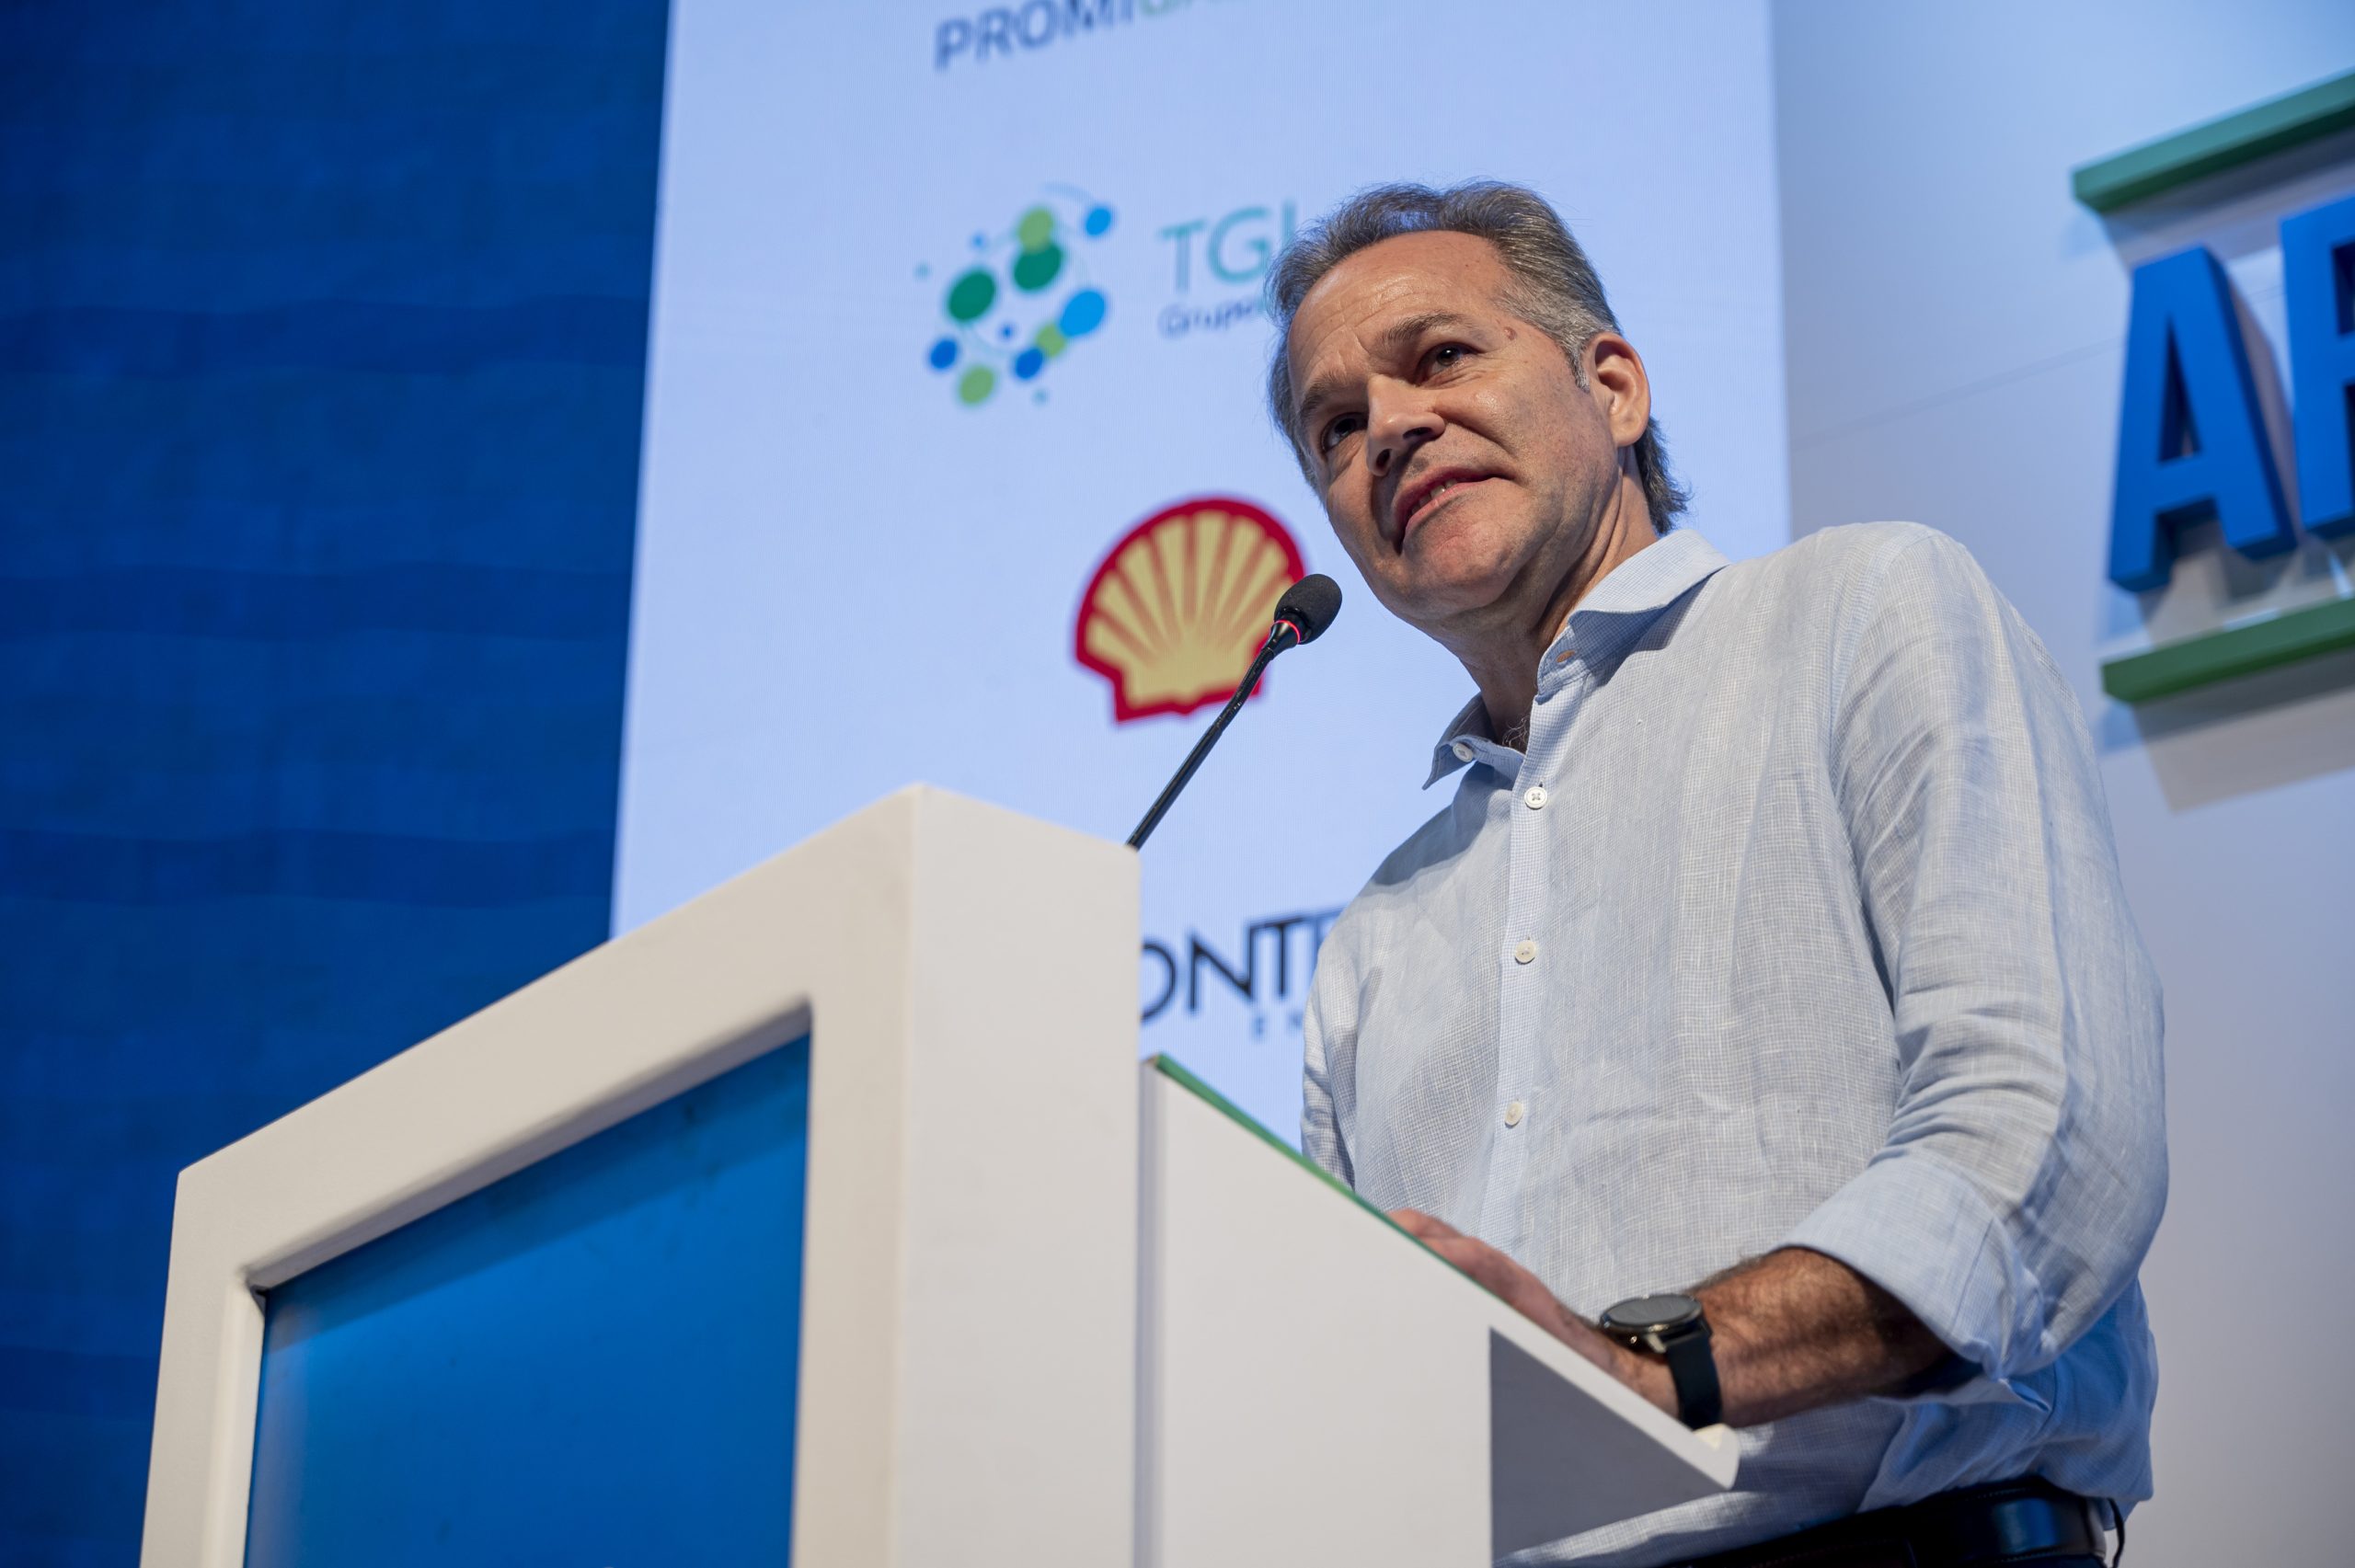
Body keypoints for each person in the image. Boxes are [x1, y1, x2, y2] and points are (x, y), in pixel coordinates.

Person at [1273, 182, 2164, 1568]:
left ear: (1614, 387)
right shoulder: (1371, 938)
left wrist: (1652, 1366)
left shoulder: (1865, 613)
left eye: (1440, 356)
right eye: (1335, 427)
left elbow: (2043, 1136)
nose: (1387, 426)